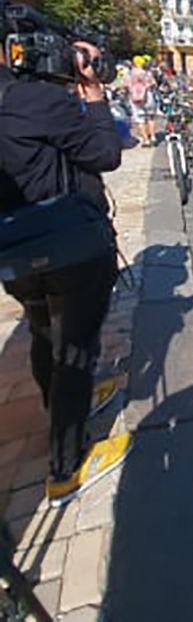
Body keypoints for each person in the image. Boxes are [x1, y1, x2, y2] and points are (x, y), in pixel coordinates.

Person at [0, 39, 130, 504]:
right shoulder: (32, 99)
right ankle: (65, 468)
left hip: (12, 248)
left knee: (41, 332)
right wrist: (92, 92)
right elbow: (104, 153)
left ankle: (60, 414)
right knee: (74, 350)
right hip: (66, 245)